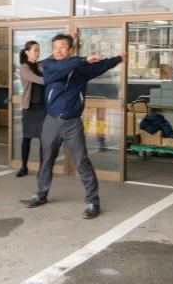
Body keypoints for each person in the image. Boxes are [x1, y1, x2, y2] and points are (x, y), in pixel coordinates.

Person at [21, 34, 125, 219]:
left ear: (70, 49)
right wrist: (84, 59)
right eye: (55, 47)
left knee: (82, 161)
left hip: (72, 123)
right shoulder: (49, 66)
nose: (58, 51)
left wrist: (118, 58)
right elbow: (62, 68)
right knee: (47, 159)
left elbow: (101, 66)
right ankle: (41, 194)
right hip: (52, 121)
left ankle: (93, 202)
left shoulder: (81, 69)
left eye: (62, 47)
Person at [16, 40, 45, 177]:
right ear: (27, 52)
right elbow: (38, 80)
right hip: (30, 107)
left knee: (43, 139)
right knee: (26, 138)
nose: (38, 53)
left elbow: (53, 56)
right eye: (35, 50)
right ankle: (24, 167)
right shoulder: (24, 68)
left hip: (43, 107)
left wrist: (72, 41)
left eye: (39, 50)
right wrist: (53, 79)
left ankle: (42, 169)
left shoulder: (41, 65)